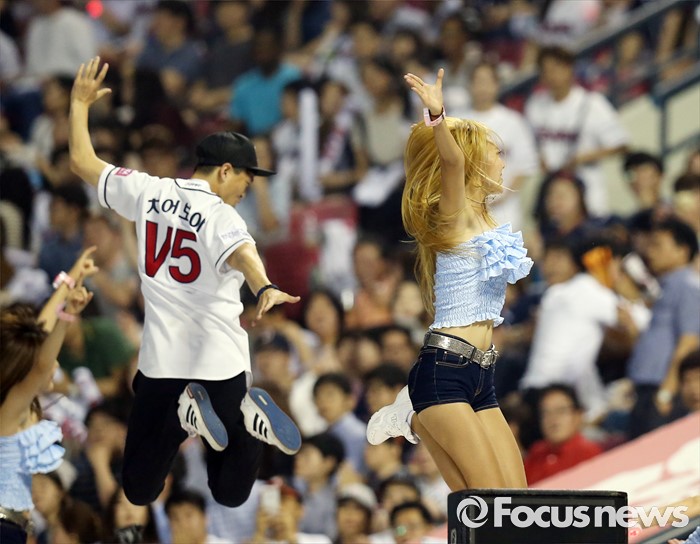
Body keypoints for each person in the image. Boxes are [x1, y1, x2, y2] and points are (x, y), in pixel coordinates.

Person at [68, 57, 302, 510]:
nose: (248, 187)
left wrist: (79, 105)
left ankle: (185, 417)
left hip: (164, 362)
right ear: (225, 170)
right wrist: (263, 286)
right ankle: (243, 421)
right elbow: (243, 252)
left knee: (139, 488)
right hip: (222, 364)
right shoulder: (222, 215)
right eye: (247, 176)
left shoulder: (148, 191)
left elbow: (82, 161)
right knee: (231, 494)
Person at [366, 69, 533, 491]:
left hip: (482, 373)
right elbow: (451, 161)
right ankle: (416, 413)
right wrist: (438, 117)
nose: (503, 160)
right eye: (496, 152)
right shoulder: (454, 213)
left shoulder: (489, 220)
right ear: (474, 160)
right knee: (492, 506)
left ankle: (413, 416)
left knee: (516, 502)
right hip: (445, 368)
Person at [1, 248, 96, 544]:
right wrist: (67, 311)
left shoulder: (14, 402)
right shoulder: (9, 408)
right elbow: (40, 359)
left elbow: (36, 335)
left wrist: (70, 284)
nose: (53, 363)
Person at [523, 385, 603, 485]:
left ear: (578, 415)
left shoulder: (589, 453)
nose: (553, 419)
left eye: (560, 411)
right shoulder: (536, 452)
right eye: (546, 413)